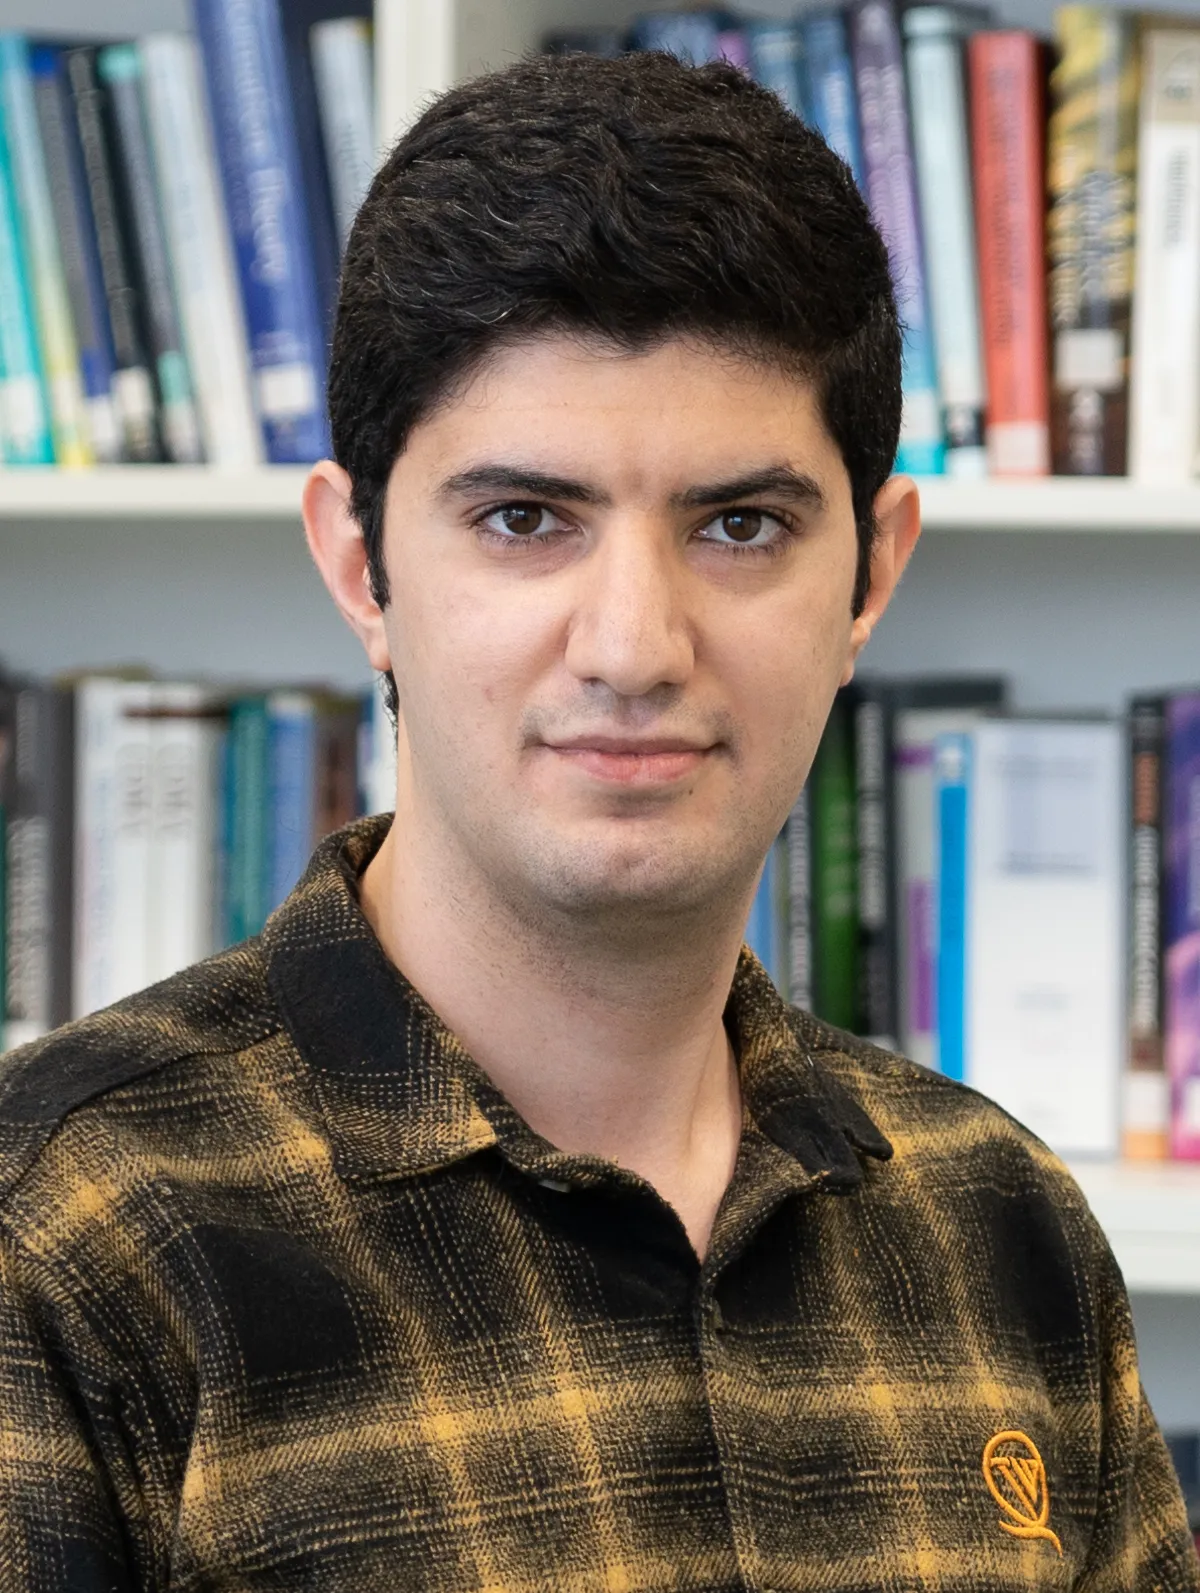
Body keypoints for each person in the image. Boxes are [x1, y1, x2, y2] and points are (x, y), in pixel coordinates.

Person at [0, 49, 1195, 1593]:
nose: (633, 646)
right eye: (524, 519)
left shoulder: (1007, 1225)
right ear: (362, 568)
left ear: (872, 575)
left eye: (740, 525)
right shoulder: (64, 1234)